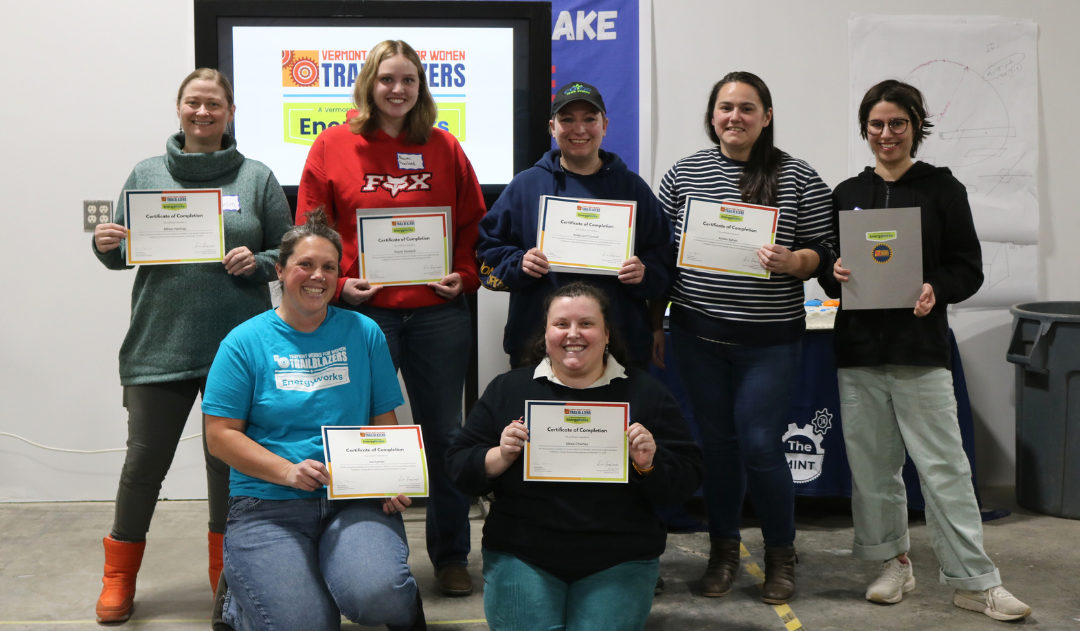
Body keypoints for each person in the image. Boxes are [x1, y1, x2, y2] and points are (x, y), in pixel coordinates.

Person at [820, 79, 1031, 621]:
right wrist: (832, 270)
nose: (886, 134)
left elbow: (968, 266)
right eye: (877, 124)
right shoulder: (846, 193)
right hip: (860, 354)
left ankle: (974, 580)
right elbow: (830, 275)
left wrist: (937, 286)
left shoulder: (942, 189)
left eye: (898, 123)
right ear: (864, 129)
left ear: (916, 127)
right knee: (872, 470)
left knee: (945, 470)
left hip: (921, 349)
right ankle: (895, 563)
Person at [91, 68, 293, 623]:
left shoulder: (256, 176)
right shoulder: (147, 172)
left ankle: (224, 578)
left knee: (226, 469)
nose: (203, 113)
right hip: (159, 342)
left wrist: (262, 263)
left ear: (230, 113)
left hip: (238, 348)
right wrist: (107, 243)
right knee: (143, 466)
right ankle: (118, 577)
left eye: (214, 105)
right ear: (178, 109)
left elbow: (287, 249)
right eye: (193, 103)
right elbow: (119, 252)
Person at [295, 39, 485, 597]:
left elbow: (474, 223)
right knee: (360, 434)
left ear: (421, 86)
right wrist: (340, 280)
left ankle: (450, 556)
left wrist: (465, 274)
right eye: (386, 79)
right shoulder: (332, 146)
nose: (397, 89)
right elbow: (312, 230)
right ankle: (363, 548)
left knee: (443, 433)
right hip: (364, 315)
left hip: (438, 316)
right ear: (368, 85)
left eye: (408, 80)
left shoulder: (445, 146)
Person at [656, 71, 837, 604]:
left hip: (770, 342)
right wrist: (652, 324)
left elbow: (823, 252)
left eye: (747, 108)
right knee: (717, 448)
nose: (735, 116)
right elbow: (660, 253)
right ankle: (724, 551)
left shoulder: (799, 176)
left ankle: (781, 555)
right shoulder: (684, 174)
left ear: (767, 116)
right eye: (725, 107)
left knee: (760, 446)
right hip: (696, 335)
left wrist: (793, 261)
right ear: (712, 115)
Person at [202, 211, 425, 630]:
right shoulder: (243, 342)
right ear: (280, 270)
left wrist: (392, 476)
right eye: (305, 264)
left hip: (354, 498)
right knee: (306, 624)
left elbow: (384, 421)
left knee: (379, 598)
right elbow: (220, 436)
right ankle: (240, 596)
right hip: (267, 503)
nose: (316, 276)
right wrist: (287, 471)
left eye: (328, 267)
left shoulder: (365, 332)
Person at [446, 282, 703, 630]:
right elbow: (458, 467)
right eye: (561, 324)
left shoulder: (646, 393)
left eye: (586, 323)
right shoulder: (509, 390)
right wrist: (499, 455)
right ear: (546, 333)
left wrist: (648, 465)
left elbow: (685, 480)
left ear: (607, 333)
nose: (573, 334)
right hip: (522, 552)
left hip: (620, 556)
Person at [477, 81, 674, 368]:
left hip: (620, 348)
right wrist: (519, 264)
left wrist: (643, 273)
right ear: (552, 127)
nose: (578, 129)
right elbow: (486, 254)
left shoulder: (632, 188)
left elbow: (666, 260)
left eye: (589, 119)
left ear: (605, 125)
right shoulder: (525, 186)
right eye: (567, 119)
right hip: (537, 348)